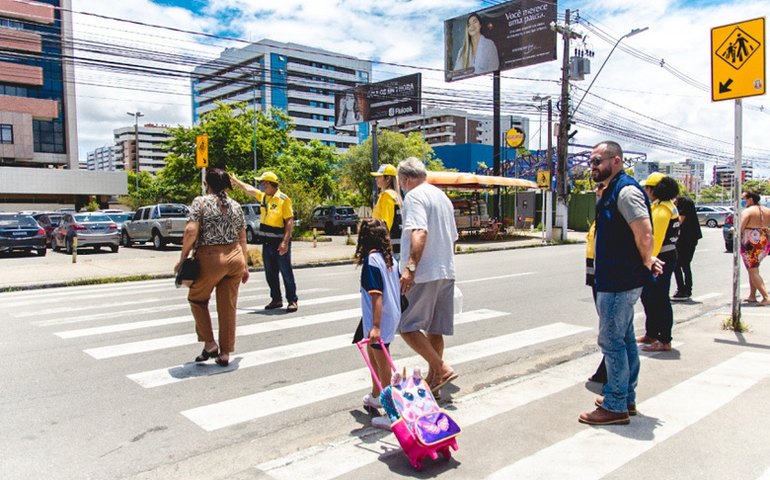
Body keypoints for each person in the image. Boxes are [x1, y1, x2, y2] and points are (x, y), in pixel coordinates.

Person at [579, 141, 662, 426]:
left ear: (616, 161)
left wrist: (647, 259)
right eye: (591, 161)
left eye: (597, 161)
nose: (593, 166)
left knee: (611, 341)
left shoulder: (625, 191)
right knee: (625, 340)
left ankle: (615, 404)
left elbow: (645, 233)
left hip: (619, 280)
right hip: (615, 278)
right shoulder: (611, 189)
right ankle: (625, 398)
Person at [397, 156, 459, 396]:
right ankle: (434, 381)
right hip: (445, 270)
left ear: (405, 179)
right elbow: (453, 239)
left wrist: (410, 268)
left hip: (424, 272)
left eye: (400, 182)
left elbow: (419, 231)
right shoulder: (442, 197)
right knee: (435, 328)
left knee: (407, 326)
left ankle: (441, 368)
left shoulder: (414, 196)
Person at [176, 168, 249, 367]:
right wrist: (245, 265)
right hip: (236, 258)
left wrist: (182, 258)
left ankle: (210, 344)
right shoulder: (236, 206)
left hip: (211, 259)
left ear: (206, 184)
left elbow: (190, 231)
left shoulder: (200, 202)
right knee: (228, 306)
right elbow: (243, 237)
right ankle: (225, 353)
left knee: (197, 299)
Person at [355, 218, 401, 430]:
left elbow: (376, 295)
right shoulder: (390, 260)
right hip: (389, 315)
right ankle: (376, 396)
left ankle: (393, 414)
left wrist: (375, 326)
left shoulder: (372, 261)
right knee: (373, 353)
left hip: (380, 318)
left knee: (383, 365)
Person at [230, 171, 298, 312]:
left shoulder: (283, 199)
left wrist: (285, 242)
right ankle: (276, 299)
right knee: (270, 274)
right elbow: (249, 189)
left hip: (279, 243)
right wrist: (237, 181)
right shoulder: (264, 197)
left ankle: (292, 300)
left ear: (269, 183)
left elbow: (289, 221)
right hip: (267, 243)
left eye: (264, 183)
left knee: (286, 272)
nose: (262, 186)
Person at [638, 173, 680, 353]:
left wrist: (648, 261)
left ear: (653, 190)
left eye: (647, 188)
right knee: (648, 297)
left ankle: (664, 340)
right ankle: (652, 333)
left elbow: (655, 238)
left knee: (659, 298)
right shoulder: (663, 206)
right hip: (663, 257)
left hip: (660, 259)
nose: (645, 191)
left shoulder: (663, 210)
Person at [587, 182, 607, 384]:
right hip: (596, 275)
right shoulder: (602, 215)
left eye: (599, 193)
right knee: (607, 324)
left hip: (606, 278)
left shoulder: (611, 216)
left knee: (611, 329)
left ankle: (609, 374)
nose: (597, 197)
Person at [740, 191, 770, 304]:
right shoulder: (767, 210)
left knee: (752, 270)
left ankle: (766, 297)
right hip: (764, 241)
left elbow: (740, 227)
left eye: (744, 198)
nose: (743, 201)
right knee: (753, 268)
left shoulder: (747, 211)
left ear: (751, 199)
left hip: (750, 242)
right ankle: (752, 295)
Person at [672, 194, 702, 300]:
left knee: (684, 264)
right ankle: (681, 288)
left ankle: (686, 289)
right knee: (677, 265)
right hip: (681, 238)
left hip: (689, 238)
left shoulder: (684, 202)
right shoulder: (678, 202)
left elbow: (680, 220)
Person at [371, 164, 403, 258]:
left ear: (388, 178)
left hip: (388, 248)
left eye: (379, 176)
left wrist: (378, 245)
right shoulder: (396, 196)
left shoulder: (387, 196)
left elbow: (385, 224)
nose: (376, 179)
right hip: (398, 246)